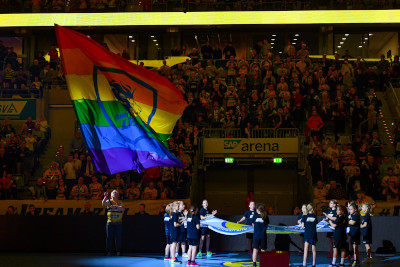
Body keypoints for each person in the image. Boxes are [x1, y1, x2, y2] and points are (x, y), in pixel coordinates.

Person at [102, 190, 125, 256]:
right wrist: (105, 197)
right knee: (109, 237)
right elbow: (103, 204)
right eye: (113, 193)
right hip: (110, 223)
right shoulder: (109, 201)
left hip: (118, 223)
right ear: (111, 195)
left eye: (116, 193)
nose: (115, 194)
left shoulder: (120, 202)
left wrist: (116, 207)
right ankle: (108, 251)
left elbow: (123, 209)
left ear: (118, 195)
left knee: (118, 238)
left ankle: (118, 251)